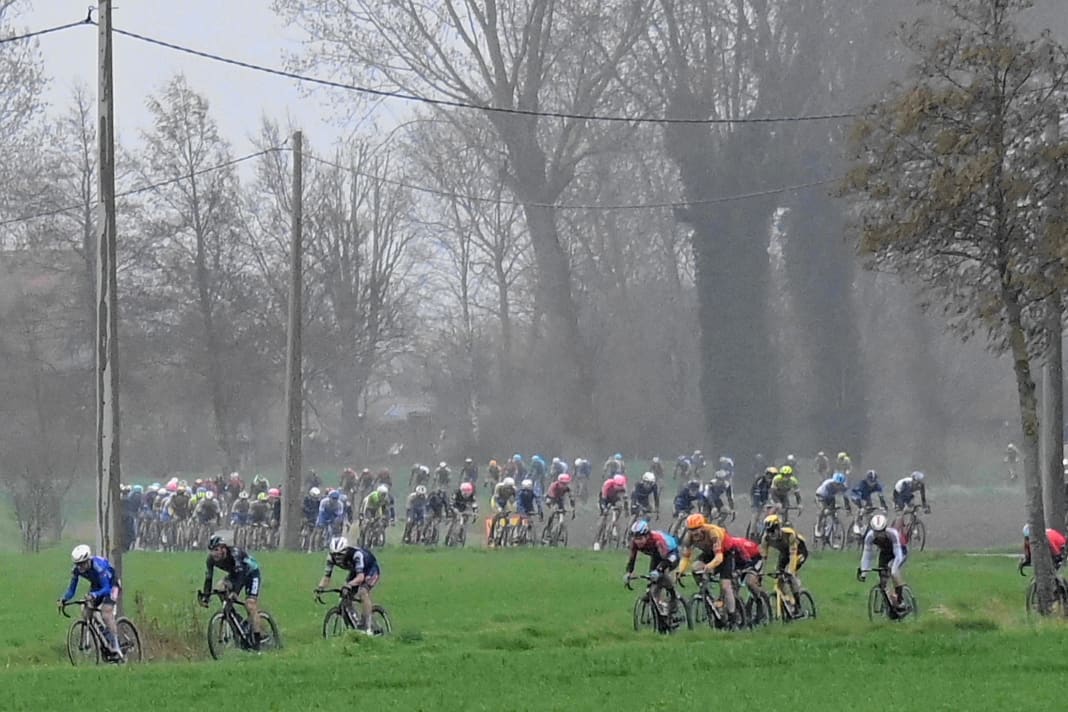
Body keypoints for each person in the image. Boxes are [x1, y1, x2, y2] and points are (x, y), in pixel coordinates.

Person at [198, 534, 263, 649]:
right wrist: (206, 596)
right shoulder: (210, 560)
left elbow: (241, 575)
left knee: (250, 604)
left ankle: (257, 642)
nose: (214, 554)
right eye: (212, 550)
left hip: (250, 573)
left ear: (224, 548)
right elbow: (209, 578)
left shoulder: (235, 554)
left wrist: (235, 592)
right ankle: (235, 618)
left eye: (217, 550)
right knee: (219, 588)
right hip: (236, 574)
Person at [59, 545, 123, 660]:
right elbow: (71, 590)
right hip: (97, 586)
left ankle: (116, 647)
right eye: (78, 564)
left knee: (106, 613)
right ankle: (103, 637)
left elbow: (106, 588)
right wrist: (64, 599)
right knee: (86, 612)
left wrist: (94, 595)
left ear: (88, 560)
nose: (80, 567)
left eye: (83, 564)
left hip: (112, 585)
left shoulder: (98, 566)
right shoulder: (76, 570)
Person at [678, 512, 741, 627]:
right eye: (691, 530)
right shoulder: (689, 537)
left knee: (725, 586)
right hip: (709, 553)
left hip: (726, 553)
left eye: (697, 529)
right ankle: (706, 594)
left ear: (703, 526)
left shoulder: (713, 533)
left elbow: (719, 557)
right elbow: (686, 556)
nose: (694, 532)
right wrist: (680, 570)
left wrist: (710, 566)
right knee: (695, 567)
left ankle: (733, 618)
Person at [317, 537, 381, 636]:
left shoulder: (356, 554)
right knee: (345, 597)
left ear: (346, 551)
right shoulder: (330, 558)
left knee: (363, 592)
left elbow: (360, 577)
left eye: (340, 554)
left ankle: (367, 627)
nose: (337, 558)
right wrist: (320, 589)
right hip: (355, 571)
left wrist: (349, 585)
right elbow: (326, 576)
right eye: (335, 555)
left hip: (370, 570)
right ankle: (355, 623)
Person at [622, 520, 681, 616]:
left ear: (647, 536)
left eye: (640, 538)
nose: (638, 542)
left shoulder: (657, 540)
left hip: (670, 554)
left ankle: (673, 595)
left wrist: (659, 570)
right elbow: (632, 559)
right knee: (652, 582)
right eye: (636, 538)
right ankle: (660, 609)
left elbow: (665, 559)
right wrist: (628, 572)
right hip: (656, 556)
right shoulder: (634, 543)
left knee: (661, 576)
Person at [857, 513, 908, 615]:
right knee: (883, 580)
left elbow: (898, 553)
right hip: (885, 554)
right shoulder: (870, 537)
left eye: (881, 532)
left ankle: (900, 600)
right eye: (876, 532)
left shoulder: (892, 534)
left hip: (899, 551)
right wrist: (864, 572)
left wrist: (893, 568)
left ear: (885, 529)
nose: (879, 535)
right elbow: (867, 555)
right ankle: (890, 605)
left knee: (893, 572)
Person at [759, 514, 808, 616]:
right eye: (768, 531)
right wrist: (760, 573)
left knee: (789, 576)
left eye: (773, 531)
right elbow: (763, 558)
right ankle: (789, 602)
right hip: (785, 553)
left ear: (778, 528)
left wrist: (790, 571)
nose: (771, 534)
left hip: (799, 551)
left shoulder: (789, 534)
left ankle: (798, 605)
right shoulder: (766, 538)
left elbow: (793, 554)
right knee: (779, 579)